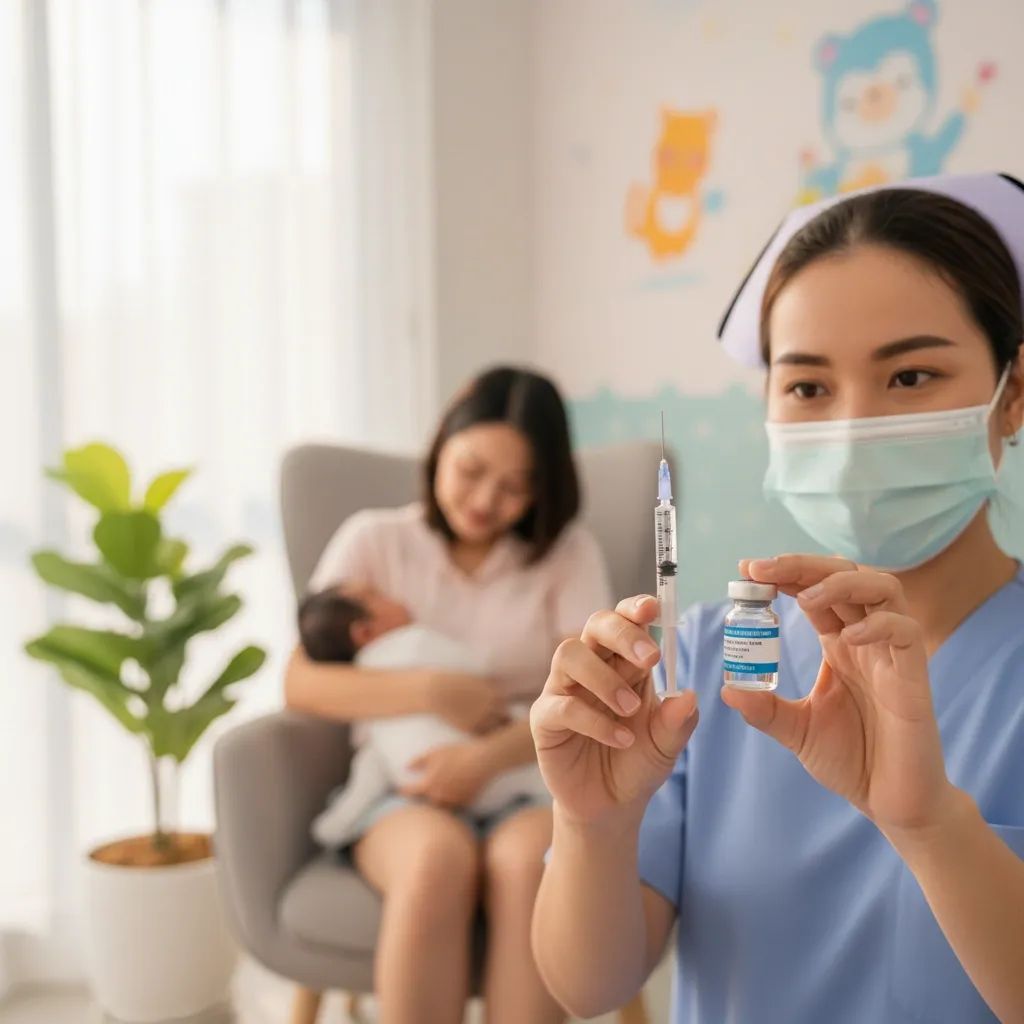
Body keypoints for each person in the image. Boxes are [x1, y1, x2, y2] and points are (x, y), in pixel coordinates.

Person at [531, 173, 1024, 1024]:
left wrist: (935, 827)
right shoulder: (698, 665)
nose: (849, 430)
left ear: (1012, 395)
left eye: (910, 376)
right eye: (806, 386)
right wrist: (591, 827)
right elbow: (588, 987)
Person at [285, 365, 611, 1024]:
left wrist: (484, 758)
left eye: (514, 486)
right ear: (440, 446)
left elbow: (595, 696)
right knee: (435, 859)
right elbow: (301, 682)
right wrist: (435, 691)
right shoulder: (375, 539)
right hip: (405, 791)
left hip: (525, 774)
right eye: (470, 470)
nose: (485, 500)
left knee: (527, 867)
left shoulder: (568, 555)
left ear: (544, 491)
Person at [296, 583, 548, 850]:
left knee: (370, 761)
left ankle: (338, 821)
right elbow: (475, 668)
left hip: (410, 778)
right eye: (377, 596)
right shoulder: (415, 641)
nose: (392, 596)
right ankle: (547, 789)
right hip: (484, 776)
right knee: (522, 733)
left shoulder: (360, 675)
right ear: (364, 631)